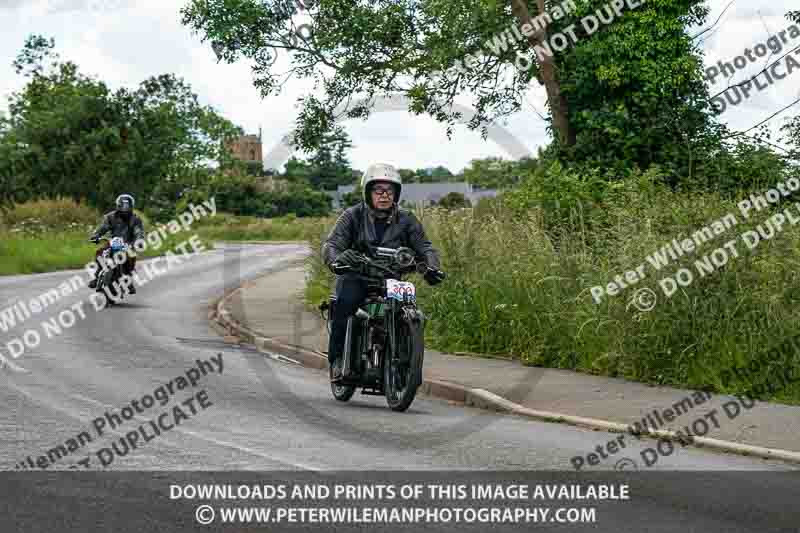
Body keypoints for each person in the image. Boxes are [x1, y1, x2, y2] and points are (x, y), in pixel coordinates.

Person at [321, 163, 446, 381]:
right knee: (345, 303)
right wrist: (338, 260)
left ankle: (403, 357)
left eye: (390, 190)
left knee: (409, 309)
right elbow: (332, 244)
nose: (384, 195)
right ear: (368, 193)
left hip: (391, 279)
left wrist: (432, 266)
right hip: (357, 276)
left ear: (396, 194)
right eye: (378, 190)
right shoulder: (352, 216)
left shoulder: (406, 219)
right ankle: (338, 359)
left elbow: (424, 246)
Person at [88, 193, 145, 293]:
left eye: (127, 206)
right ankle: (97, 276)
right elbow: (103, 228)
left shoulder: (135, 219)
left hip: (128, 244)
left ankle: (128, 279)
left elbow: (138, 232)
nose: (125, 209)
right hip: (112, 242)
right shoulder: (110, 217)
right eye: (123, 206)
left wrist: (139, 240)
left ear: (131, 206)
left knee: (131, 256)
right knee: (99, 252)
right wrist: (96, 235)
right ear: (118, 206)